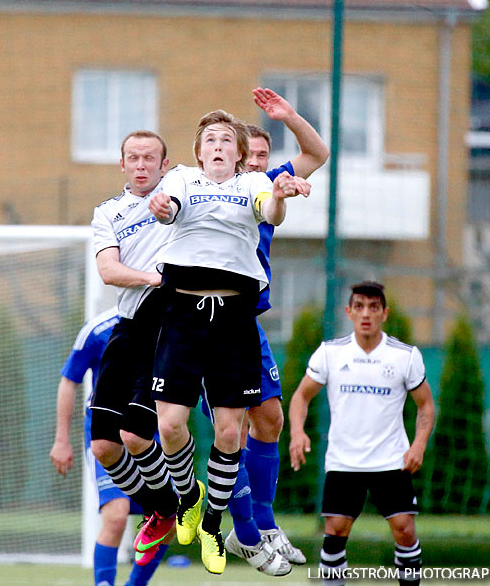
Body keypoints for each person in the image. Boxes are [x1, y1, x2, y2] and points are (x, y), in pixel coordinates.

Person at [147, 110, 310, 575]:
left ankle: (214, 526)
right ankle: (189, 498)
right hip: (183, 312)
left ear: (240, 154)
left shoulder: (252, 184)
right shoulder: (181, 178)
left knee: (229, 433)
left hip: (235, 317)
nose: (217, 145)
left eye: (226, 140)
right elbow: (170, 206)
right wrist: (163, 209)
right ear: (199, 151)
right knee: (172, 427)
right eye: (210, 140)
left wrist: (279, 197)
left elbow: (270, 210)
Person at [224, 86, 329, 575]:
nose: (263, 164)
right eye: (255, 156)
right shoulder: (212, 190)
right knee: (232, 425)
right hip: (209, 321)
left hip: (248, 321)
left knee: (269, 420)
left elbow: (317, 153)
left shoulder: (268, 186)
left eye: (268, 157)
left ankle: (262, 525)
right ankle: (245, 528)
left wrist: (289, 115)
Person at [289, 281, 436, 586]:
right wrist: (297, 432)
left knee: (405, 530)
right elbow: (301, 396)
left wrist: (419, 445)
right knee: (336, 531)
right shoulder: (330, 353)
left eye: (373, 307)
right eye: (359, 307)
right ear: (349, 312)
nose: (366, 313)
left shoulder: (405, 356)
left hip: (391, 459)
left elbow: (426, 406)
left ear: (385, 313)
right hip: (344, 461)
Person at [89, 131, 179, 568]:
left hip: (167, 325)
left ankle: (175, 501)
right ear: (122, 164)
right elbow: (108, 269)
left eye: (150, 158)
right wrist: (152, 278)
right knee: (103, 446)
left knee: (135, 435)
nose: (141, 164)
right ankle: (165, 506)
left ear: (165, 165)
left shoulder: (180, 191)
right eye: (133, 157)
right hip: (128, 326)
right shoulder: (108, 212)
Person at [50, 307, 170, 586]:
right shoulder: (98, 330)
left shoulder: (170, 325)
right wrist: (61, 439)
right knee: (115, 516)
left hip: (150, 436)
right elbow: (69, 382)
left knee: (167, 518)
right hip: (106, 437)